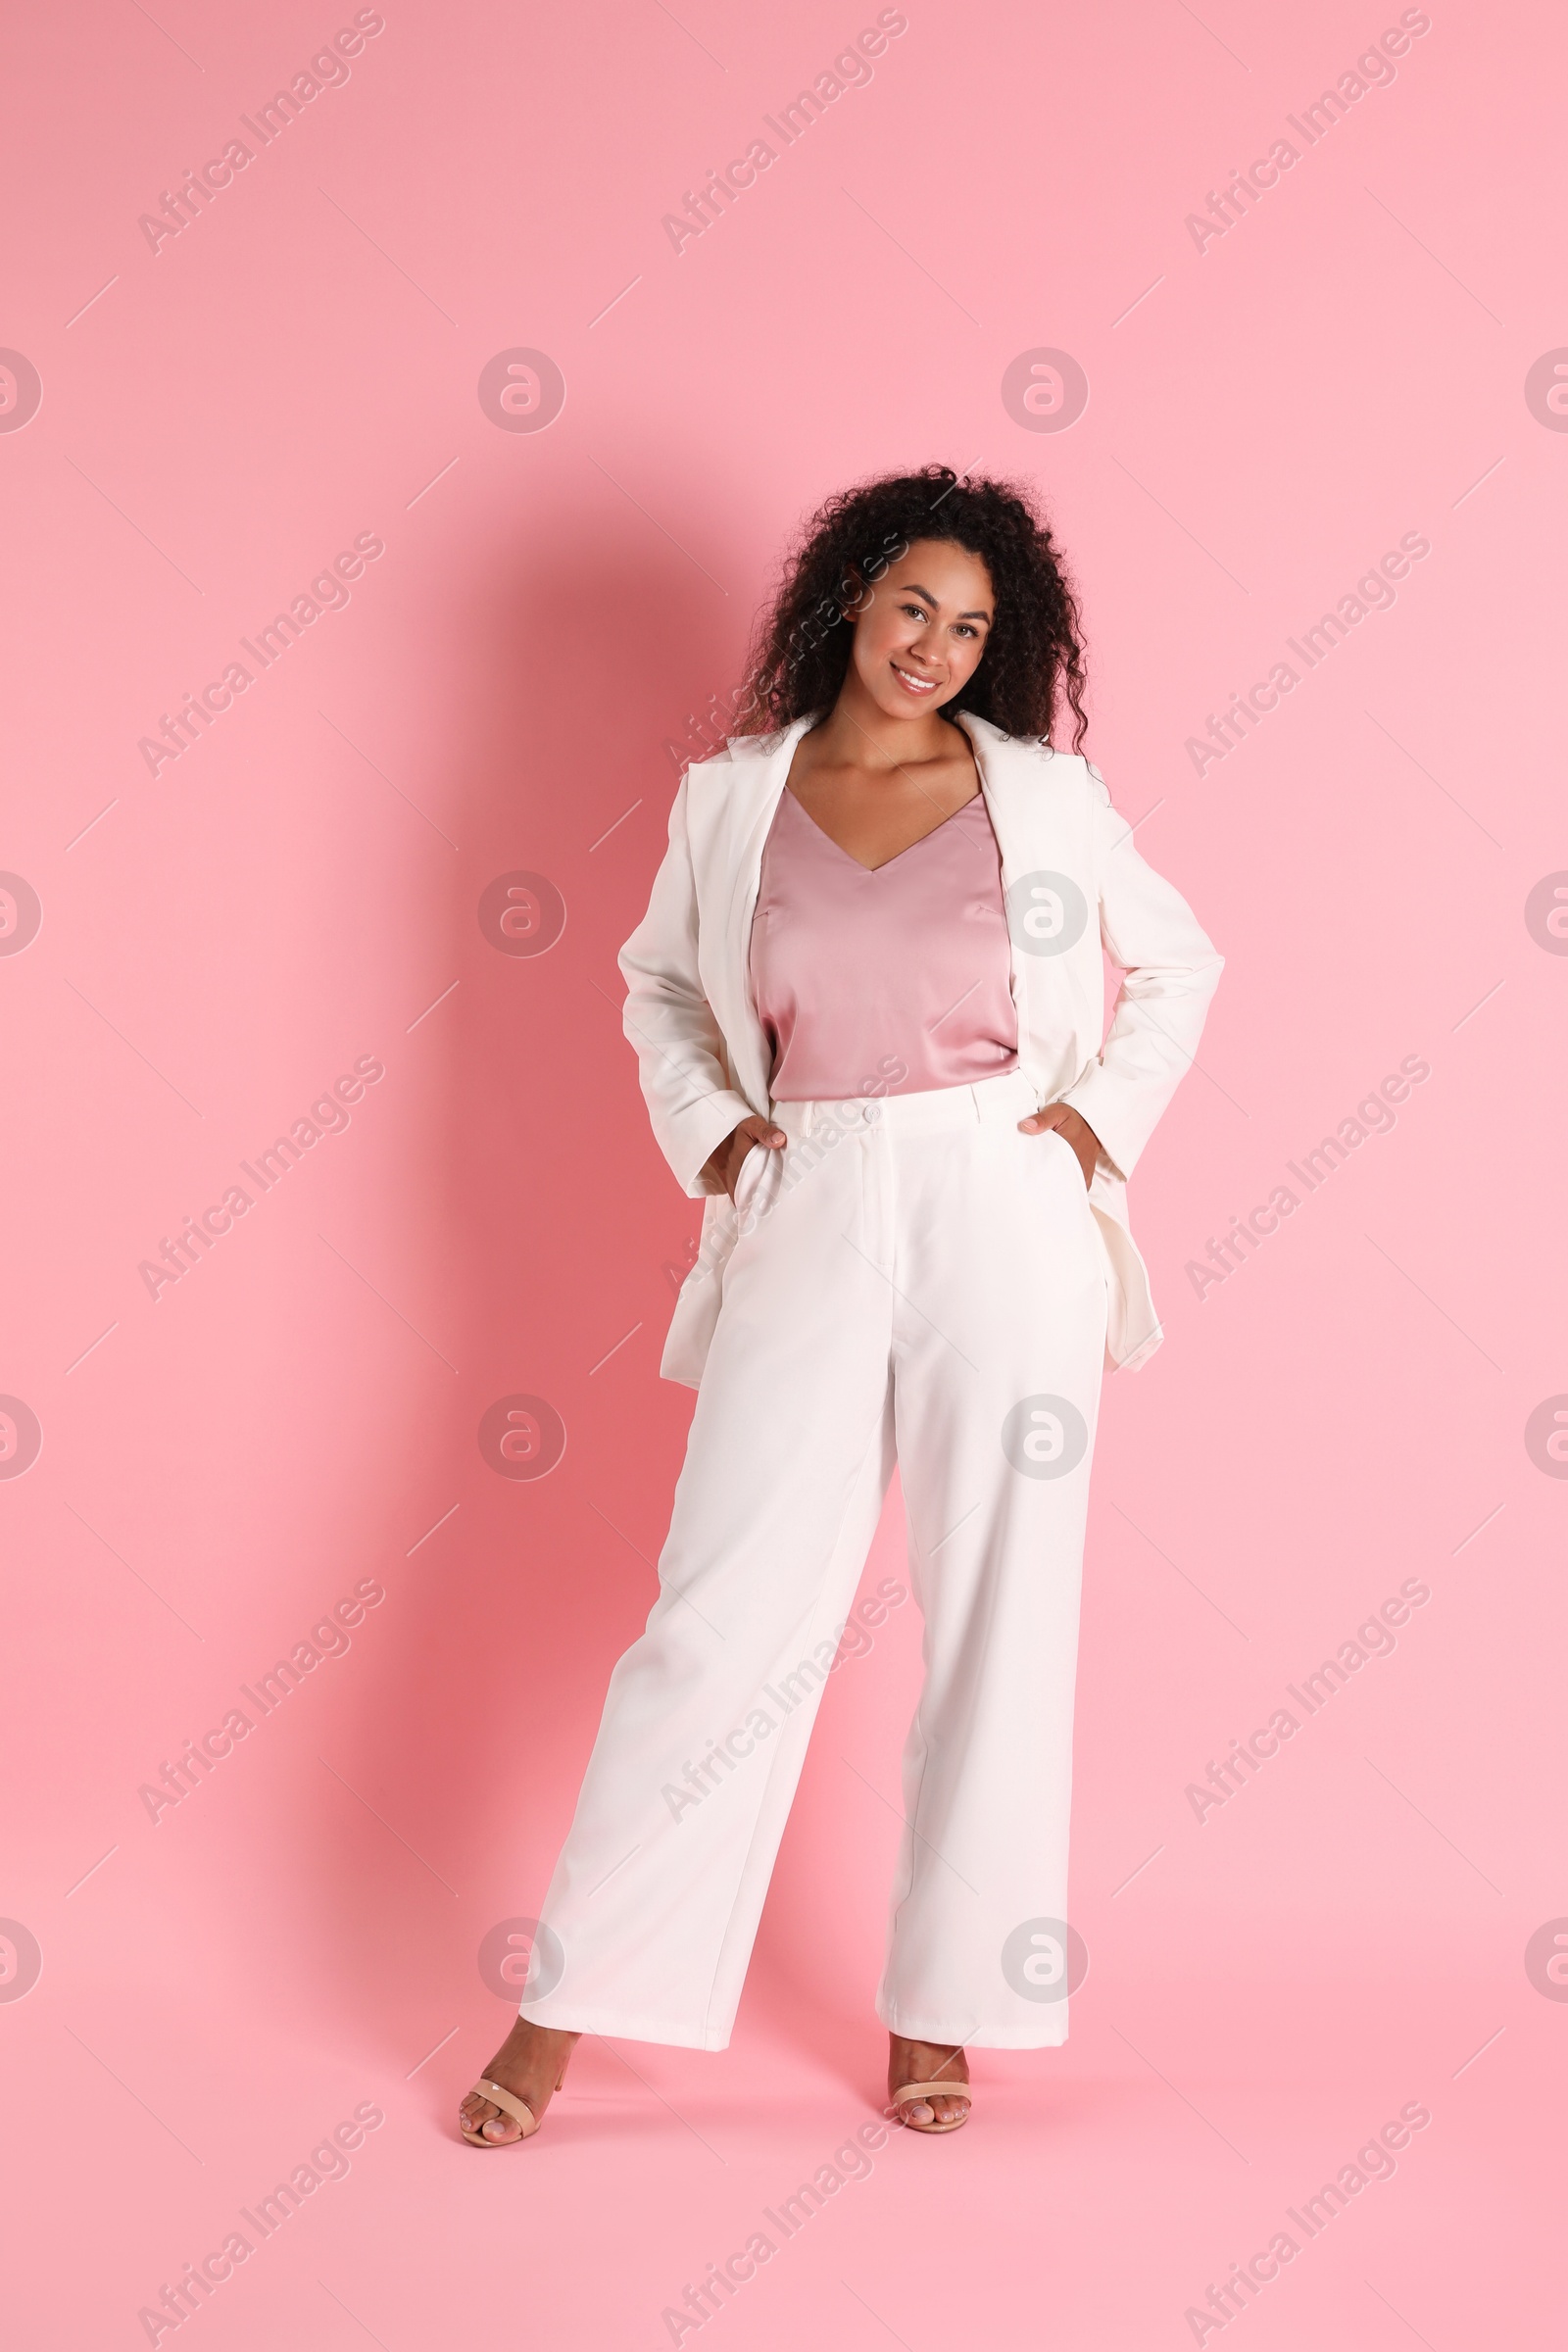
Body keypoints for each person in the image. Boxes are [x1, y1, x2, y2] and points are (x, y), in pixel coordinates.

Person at [460, 465, 1222, 2147]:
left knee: (999, 1606)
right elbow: (660, 981)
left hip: (1001, 1210)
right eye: (911, 610)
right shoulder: (735, 798)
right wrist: (722, 1137)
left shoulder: (1044, 796)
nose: (936, 650)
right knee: (720, 1611)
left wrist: (1094, 1129)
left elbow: (1178, 963)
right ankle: (569, 2007)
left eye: (970, 628)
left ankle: (944, 2012)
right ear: (851, 604)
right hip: (803, 1197)